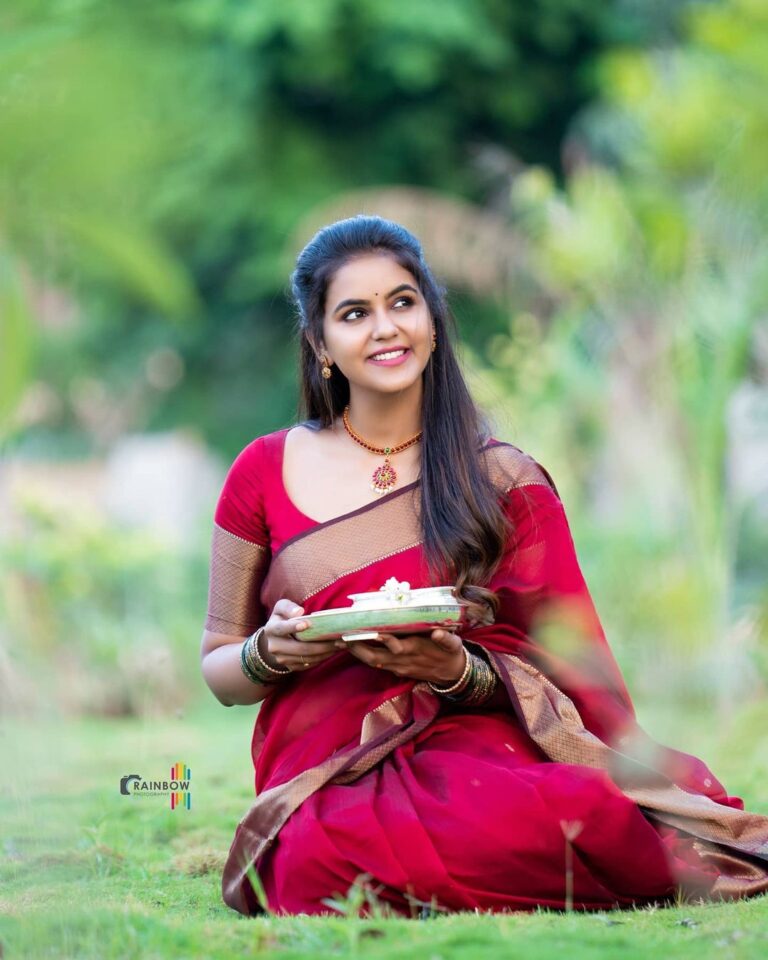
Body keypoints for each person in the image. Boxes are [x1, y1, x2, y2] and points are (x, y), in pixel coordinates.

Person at [201, 215, 768, 918]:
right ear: (320, 343)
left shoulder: (501, 479)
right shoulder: (261, 471)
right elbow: (220, 667)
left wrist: (454, 671)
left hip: (476, 743)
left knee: (579, 813)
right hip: (327, 766)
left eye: (402, 302)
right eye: (354, 313)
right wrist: (270, 651)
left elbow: (569, 668)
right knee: (315, 859)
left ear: (433, 321)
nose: (385, 328)